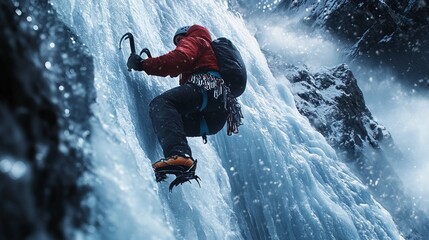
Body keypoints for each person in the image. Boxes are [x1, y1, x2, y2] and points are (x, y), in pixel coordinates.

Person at [127, 24, 231, 189]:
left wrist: (143, 64)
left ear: (187, 33)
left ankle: (179, 156)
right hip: (214, 117)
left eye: (180, 39)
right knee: (168, 121)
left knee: (161, 104)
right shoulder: (207, 54)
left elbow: (179, 59)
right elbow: (177, 67)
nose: (180, 43)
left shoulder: (196, 40)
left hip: (209, 89)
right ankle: (176, 161)